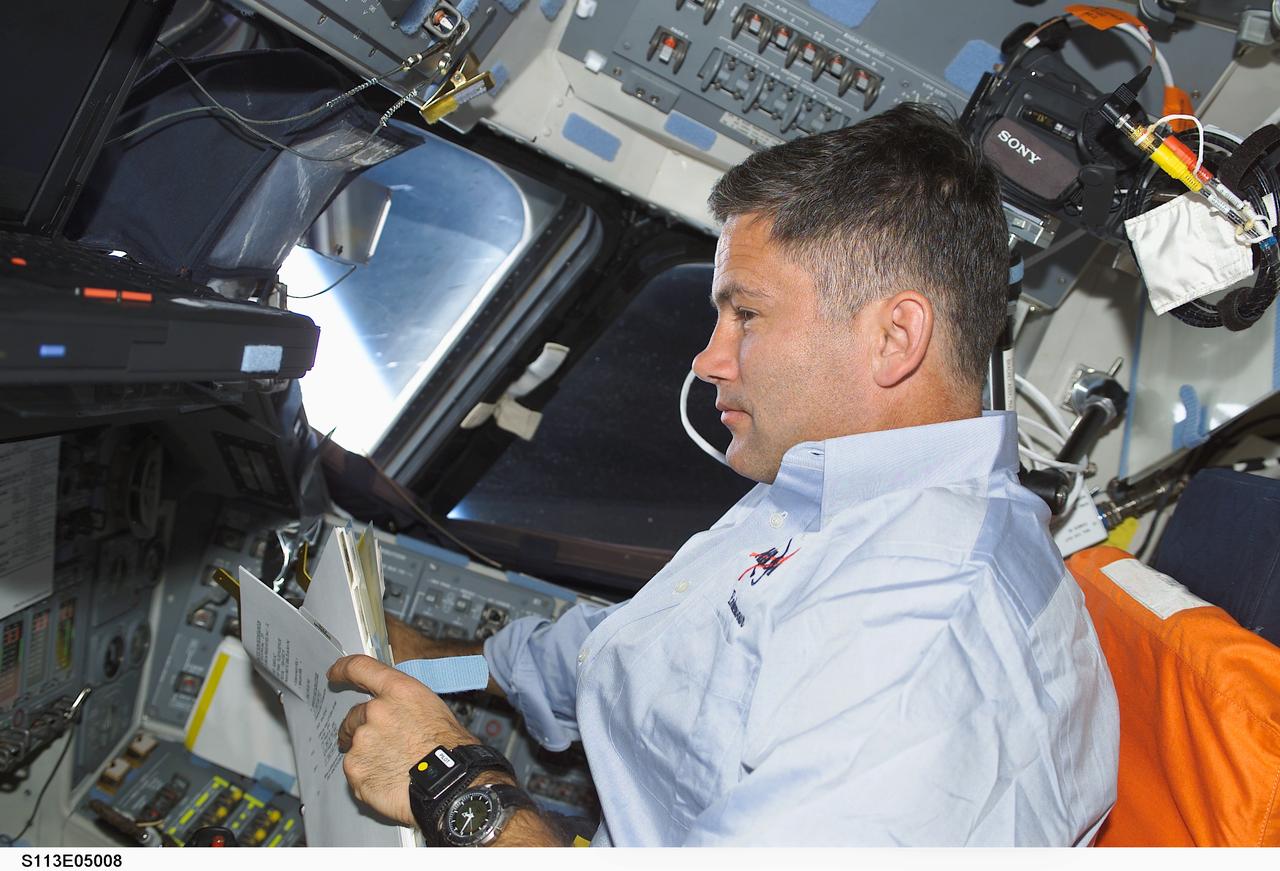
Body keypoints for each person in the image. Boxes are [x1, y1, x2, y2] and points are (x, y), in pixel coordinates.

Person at [328, 103, 1120, 847]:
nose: (707, 359)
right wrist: (425, 663)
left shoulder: (930, 633)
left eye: (746, 314)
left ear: (894, 336)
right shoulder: (817, 497)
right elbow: (606, 664)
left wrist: (454, 784)